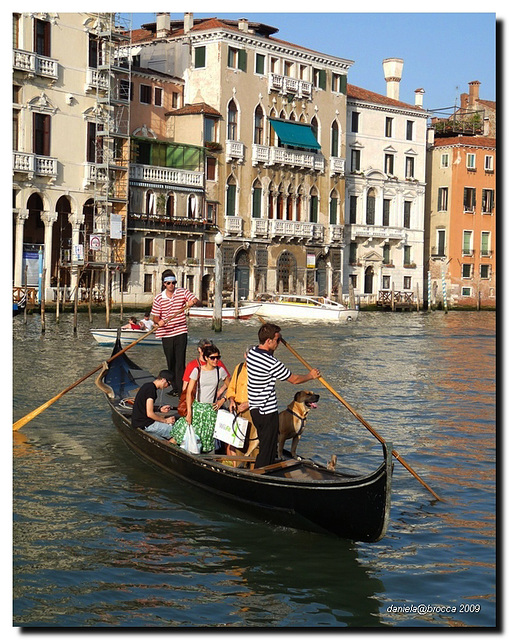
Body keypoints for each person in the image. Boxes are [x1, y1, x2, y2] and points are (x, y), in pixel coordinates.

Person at [246, 323, 320, 469]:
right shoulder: (271, 363)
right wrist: (310, 376)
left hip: (255, 411)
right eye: (277, 340)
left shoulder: (252, 353)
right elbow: (294, 380)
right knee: (267, 452)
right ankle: (261, 479)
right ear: (268, 341)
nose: (279, 343)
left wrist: (276, 338)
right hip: (267, 413)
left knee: (266, 446)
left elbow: (267, 352)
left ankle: (265, 473)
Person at [170, 344, 229, 453]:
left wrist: (222, 399)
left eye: (218, 358)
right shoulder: (197, 370)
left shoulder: (219, 371)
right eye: (213, 358)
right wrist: (189, 412)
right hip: (197, 408)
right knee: (181, 432)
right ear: (206, 358)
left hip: (211, 410)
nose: (216, 360)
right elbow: (188, 392)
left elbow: (230, 386)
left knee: (204, 438)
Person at [150, 271, 198, 397]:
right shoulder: (159, 298)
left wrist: (192, 302)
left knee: (180, 361)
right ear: (164, 284)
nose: (171, 285)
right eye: (169, 283)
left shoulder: (182, 292)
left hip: (180, 331)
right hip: (166, 333)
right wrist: (158, 321)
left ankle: (182, 389)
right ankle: (175, 386)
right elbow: (155, 317)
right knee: (170, 361)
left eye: (173, 282)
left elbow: (195, 300)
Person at [225, 344, 258, 461]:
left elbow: (262, 393)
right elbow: (231, 388)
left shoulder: (260, 370)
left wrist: (248, 404)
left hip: (252, 409)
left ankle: (253, 466)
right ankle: (239, 465)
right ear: (245, 355)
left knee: (253, 441)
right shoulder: (239, 367)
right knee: (238, 440)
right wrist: (232, 400)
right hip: (238, 408)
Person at [131, 369, 176, 439]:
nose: (168, 386)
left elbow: (145, 406)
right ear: (163, 380)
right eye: (169, 384)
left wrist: (160, 409)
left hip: (137, 422)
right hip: (145, 424)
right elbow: (150, 414)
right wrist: (165, 420)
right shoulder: (151, 390)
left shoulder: (147, 386)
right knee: (176, 432)